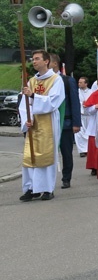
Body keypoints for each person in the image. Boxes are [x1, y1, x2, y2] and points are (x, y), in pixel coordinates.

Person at [18, 50, 65, 202]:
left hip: (48, 121)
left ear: (46, 61)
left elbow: (54, 101)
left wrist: (33, 96)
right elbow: (24, 105)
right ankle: (31, 188)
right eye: (33, 59)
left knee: (46, 155)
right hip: (33, 123)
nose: (34, 61)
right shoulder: (31, 81)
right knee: (30, 155)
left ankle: (47, 189)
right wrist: (27, 119)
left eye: (37, 59)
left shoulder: (56, 79)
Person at [49, 54, 82, 189]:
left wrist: (76, 123)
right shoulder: (44, 81)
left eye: (48, 62)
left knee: (66, 152)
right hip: (49, 123)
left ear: (55, 64)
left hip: (65, 123)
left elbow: (74, 102)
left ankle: (66, 178)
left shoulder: (67, 81)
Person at [75, 77, 91, 158]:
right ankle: (82, 150)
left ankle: (88, 148)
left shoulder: (91, 92)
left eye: (81, 82)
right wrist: (82, 104)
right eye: (79, 82)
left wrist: (87, 104)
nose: (79, 84)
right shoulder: (76, 92)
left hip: (89, 115)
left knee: (88, 132)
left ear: (86, 83)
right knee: (79, 133)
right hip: (80, 114)